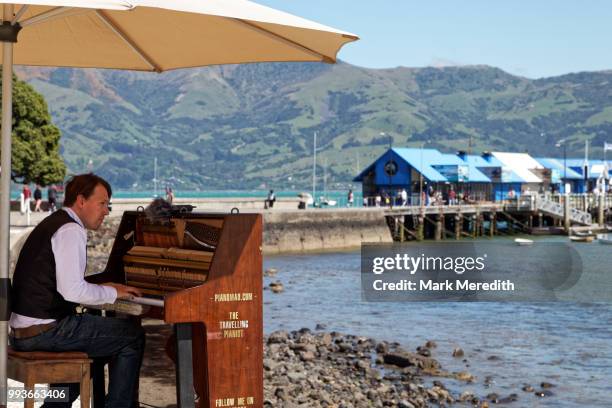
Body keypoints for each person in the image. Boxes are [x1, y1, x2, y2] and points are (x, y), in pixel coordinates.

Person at [9, 173, 145, 408]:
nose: (106, 211)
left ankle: (55, 405)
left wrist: (103, 288)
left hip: (25, 329)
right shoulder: (70, 230)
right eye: (102, 203)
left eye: (108, 205)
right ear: (81, 201)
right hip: (45, 330)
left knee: (100, 341)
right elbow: (73, 291)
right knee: (131, 337)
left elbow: (63, 284)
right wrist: (113, 293)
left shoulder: (54, 222)